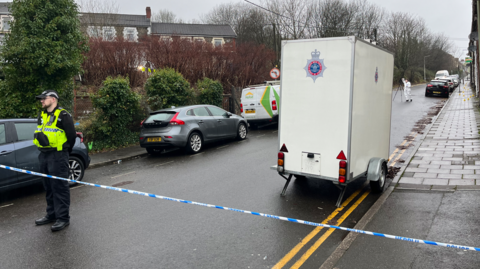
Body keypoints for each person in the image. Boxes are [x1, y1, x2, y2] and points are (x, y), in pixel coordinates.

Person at [33, 90, 76, 232]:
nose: (41, 101)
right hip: (44, 155)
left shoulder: (63, 115)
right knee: (48, 186)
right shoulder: (42, 115)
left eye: (43, 99)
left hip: (58, 156)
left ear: (53, 99)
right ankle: (51, 215)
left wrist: (64, 152)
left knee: (60, 187)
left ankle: (63, 218)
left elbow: (71, 136)